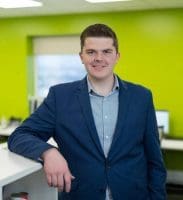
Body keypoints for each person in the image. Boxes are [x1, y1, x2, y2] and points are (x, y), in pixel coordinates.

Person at [8, 23, 166, 200]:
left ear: (117, 56)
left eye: (106, 51)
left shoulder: (141, 97)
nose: (99, 58)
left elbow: (155, 162)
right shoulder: (60, 97)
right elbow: (19, 136)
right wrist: (49, 152)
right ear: (81, 56)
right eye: (91, 52)